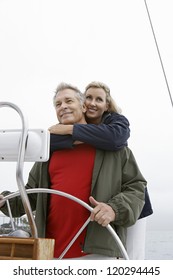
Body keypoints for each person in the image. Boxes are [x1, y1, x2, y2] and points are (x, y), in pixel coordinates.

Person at [0, 82, 146, 259]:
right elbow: (31, 194)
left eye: (69, 101)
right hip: (50, 253)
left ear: (83, 106)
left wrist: (114, 209)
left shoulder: (114, 148)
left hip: (96, 254)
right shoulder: (48, 151)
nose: (63, 107)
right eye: (58, 104)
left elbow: (137, 187)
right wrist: (4, 201)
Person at [48, 81, 153, 259]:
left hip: (131, 213)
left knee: (135, 257)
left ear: (106, 105)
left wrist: (115, 209)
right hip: (55, 252)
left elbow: (115, 139)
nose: (92, 103)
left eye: (99, 99)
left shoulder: (114, 130)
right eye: (88, 97)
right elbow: (48, 143)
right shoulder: (53, 146)